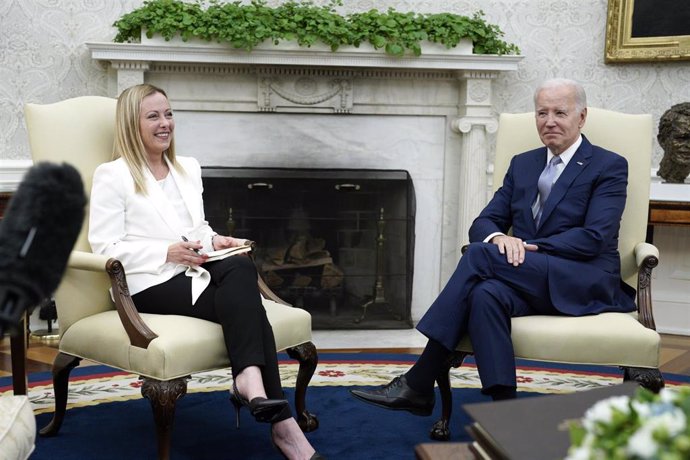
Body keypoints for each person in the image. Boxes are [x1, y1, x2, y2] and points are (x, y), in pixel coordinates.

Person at [351, 78, 637, 412]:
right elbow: (483, 223)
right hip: (532, 278)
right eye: (542, 112)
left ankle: (418, 380)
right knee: (484, 294)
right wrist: (500, 237)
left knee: (479, 257)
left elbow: (594, 237)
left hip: (584, 278)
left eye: (560, 112)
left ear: (582, 117)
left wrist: (527, 246)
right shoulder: (523, 164)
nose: (549, 121)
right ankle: (505, 411)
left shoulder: (608, 165)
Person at [89, 83, 323, 460]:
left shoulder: (186, 168)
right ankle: (282, 425)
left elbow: (197, 231)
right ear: (131, 124)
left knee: (240, 264)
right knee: (249, 303)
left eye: (168, 113)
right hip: (144, 282)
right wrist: (166, 252)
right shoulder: (113, 175)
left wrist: (217, 242)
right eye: (153, 116)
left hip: (191, 271)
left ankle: (253, 385)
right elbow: (105, 249)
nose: (165, 123)